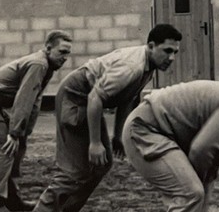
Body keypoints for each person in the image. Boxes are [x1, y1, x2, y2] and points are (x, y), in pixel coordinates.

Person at [31, 24, 183, 212]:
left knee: (101, 164)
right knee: (76, 171)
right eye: (167, 51)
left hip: (89, 100)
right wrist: (95, 143)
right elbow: (95, 98)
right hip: (75, 96)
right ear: (151, 46)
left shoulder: (148, 66)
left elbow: (126, 100)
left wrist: (118, 137)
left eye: (175, 52)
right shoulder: (132, 67)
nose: (171, 58)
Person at [121, 79, 219, 212]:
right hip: (144, 130)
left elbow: (209, 171)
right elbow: (199, 152)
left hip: (157, 131)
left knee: (194, 193)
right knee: (190, 193)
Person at [0, 31, 73, 212]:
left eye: (68, 53)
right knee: (4, 151)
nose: (65, 58)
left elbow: (34, 102)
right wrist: (14, 133)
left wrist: (22, 134)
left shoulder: (47, 66)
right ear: (48, 48)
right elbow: (24, 99)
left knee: (18, 148)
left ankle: (12, 200)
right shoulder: (39, 64)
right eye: (62, 52)